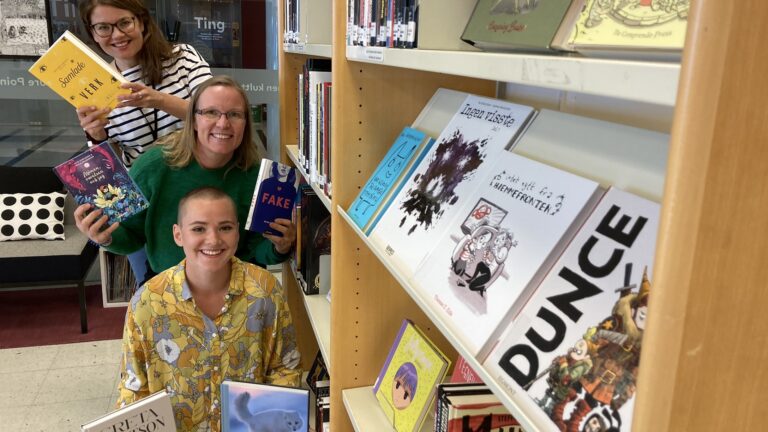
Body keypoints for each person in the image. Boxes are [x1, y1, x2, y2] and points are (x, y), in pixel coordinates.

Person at [74, 75, 297, 281]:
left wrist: (280, 247)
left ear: (246, 123)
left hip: (234, 290)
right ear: (193, 120)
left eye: (234, 114)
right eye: (211, 112)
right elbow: (131, 235)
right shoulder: (152, 167)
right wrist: (104, 237)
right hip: (166, 288)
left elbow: (257, 250)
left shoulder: (260, 178)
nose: (223, 123)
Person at [116, 186, 302, 432]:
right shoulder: (147, 302)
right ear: (178, 234)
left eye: (225, 227)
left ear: (237, 232)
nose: (213, 239)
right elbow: (134, 388)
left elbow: (285, 368)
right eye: (198, 229)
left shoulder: (265, 291)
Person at [76, 0, 213, 285]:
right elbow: (111, 169)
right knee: (155, 291)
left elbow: (214, 115)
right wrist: (96, 136)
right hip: (145, 207)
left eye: (124, 23)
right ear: (93, 33)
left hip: (201, 190)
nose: (116, 35)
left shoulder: (182, 58)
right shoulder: (95, 86)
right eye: (103, 27)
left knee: (211, 283)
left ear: (141, 22)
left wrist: (158, 100)